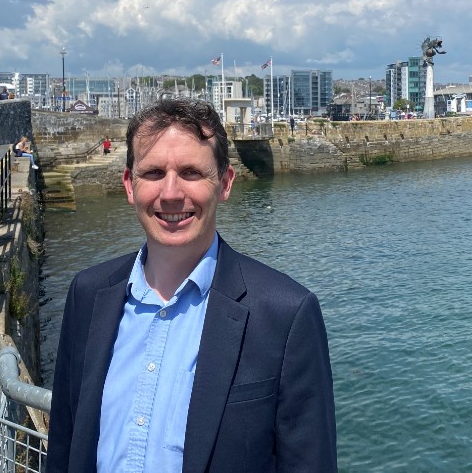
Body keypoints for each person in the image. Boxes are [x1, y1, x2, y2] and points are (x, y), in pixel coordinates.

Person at [47, 98, 337, 472]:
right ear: (129, 185)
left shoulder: (286, 314)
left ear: (226, 183)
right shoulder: (87, 294)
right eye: (152, 173)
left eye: (191, 173)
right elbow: (65, 446)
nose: (170, 193)